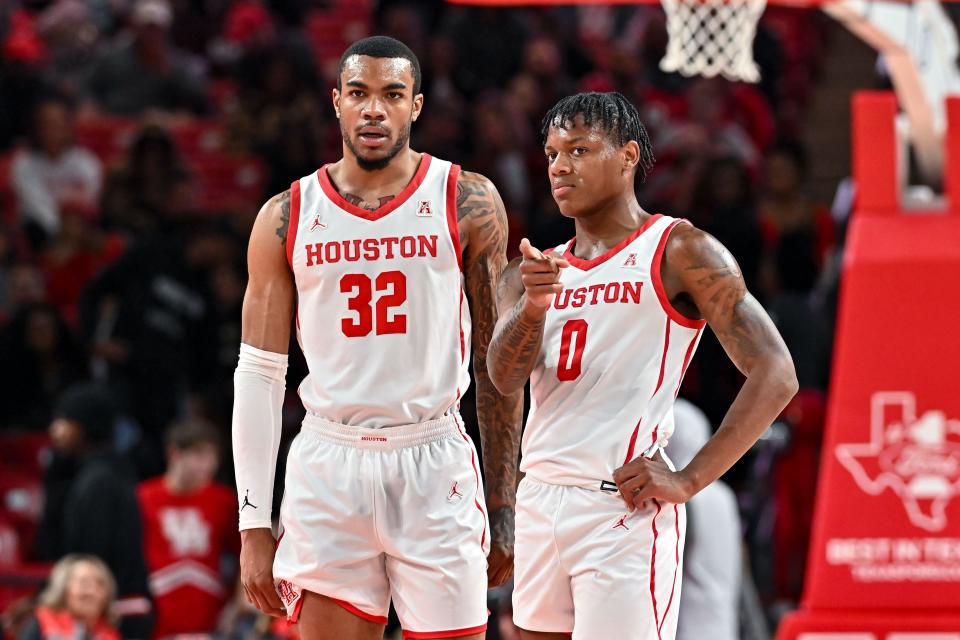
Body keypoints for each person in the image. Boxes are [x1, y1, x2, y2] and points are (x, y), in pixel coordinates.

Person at [232, 36, 522, 640]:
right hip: (328, 464)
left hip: (433, 456)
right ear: (335, 102)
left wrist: (503, 505)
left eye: (392, 95)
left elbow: (498, 367)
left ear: (415, 106)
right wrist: (253, 523)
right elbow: (260, 376)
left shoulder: (467, 201)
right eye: (358, 94)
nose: (373, 110)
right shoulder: (285, 215)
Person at [486, 92, 797, 639]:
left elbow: (776, 373)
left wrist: (689, 478)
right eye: (552, 153)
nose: (560, 166)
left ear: (628, 156)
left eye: (579, 150)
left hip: (619, 510)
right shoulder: (531, 272)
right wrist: (534, 306)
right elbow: (503, 379)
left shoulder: (680, 249)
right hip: (540, 497)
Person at [35, 383, 152, 637]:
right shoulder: (107, 471)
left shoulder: (98, 481)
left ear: (84, 426)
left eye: (63, 420)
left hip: (113, 616)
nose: (55, 430)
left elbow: (89, 558)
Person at [138, 419, 240, 638]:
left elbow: (245, 557)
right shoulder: (143, 498)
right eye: (200, 454)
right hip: (156, 618)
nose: (209, 464)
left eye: (214, 456)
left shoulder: (224, 501)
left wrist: (236, 606)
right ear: (175, 454)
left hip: (209, 620)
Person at [666, 399, 740, 640]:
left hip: (686, 628)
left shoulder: (683, 499)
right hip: (723, 625)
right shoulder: (723, 495)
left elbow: (669, 569)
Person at [10, 94, 101, 250]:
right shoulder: (24, 165)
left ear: (68, 127)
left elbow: (90, 202)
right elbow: (38, 208)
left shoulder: (87, 163)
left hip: (81, 230)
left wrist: (75, 231)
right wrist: (64, 232)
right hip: (44, 233)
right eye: (46, 125)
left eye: (57, 124)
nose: (52, 131)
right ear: (37, 129)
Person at [18, 554, 119, 640]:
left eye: (100, 584)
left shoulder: (110, 633)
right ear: (63, 589)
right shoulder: (39, 624)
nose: (92, 592)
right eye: (84, 583)